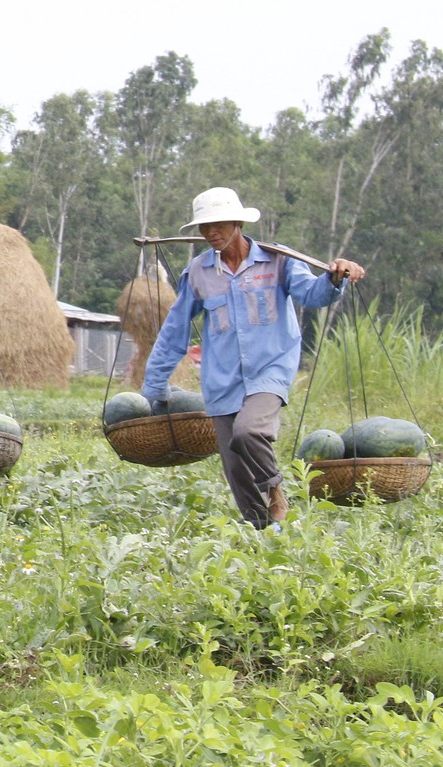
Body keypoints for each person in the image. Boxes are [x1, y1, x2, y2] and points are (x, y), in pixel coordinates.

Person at [143, 187, 363, 530]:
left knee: (248, 432)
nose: (211, 232)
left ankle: (275, 491)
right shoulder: (199, 273)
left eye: (219, 224)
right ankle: (263, 533)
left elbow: (312, 294)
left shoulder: (279, 260)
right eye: (205, 226)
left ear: (238, 223)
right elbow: (175, 330)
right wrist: (154, 384)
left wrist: (335, 277)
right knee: (235, 464)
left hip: (270, 369)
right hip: (222, 378)